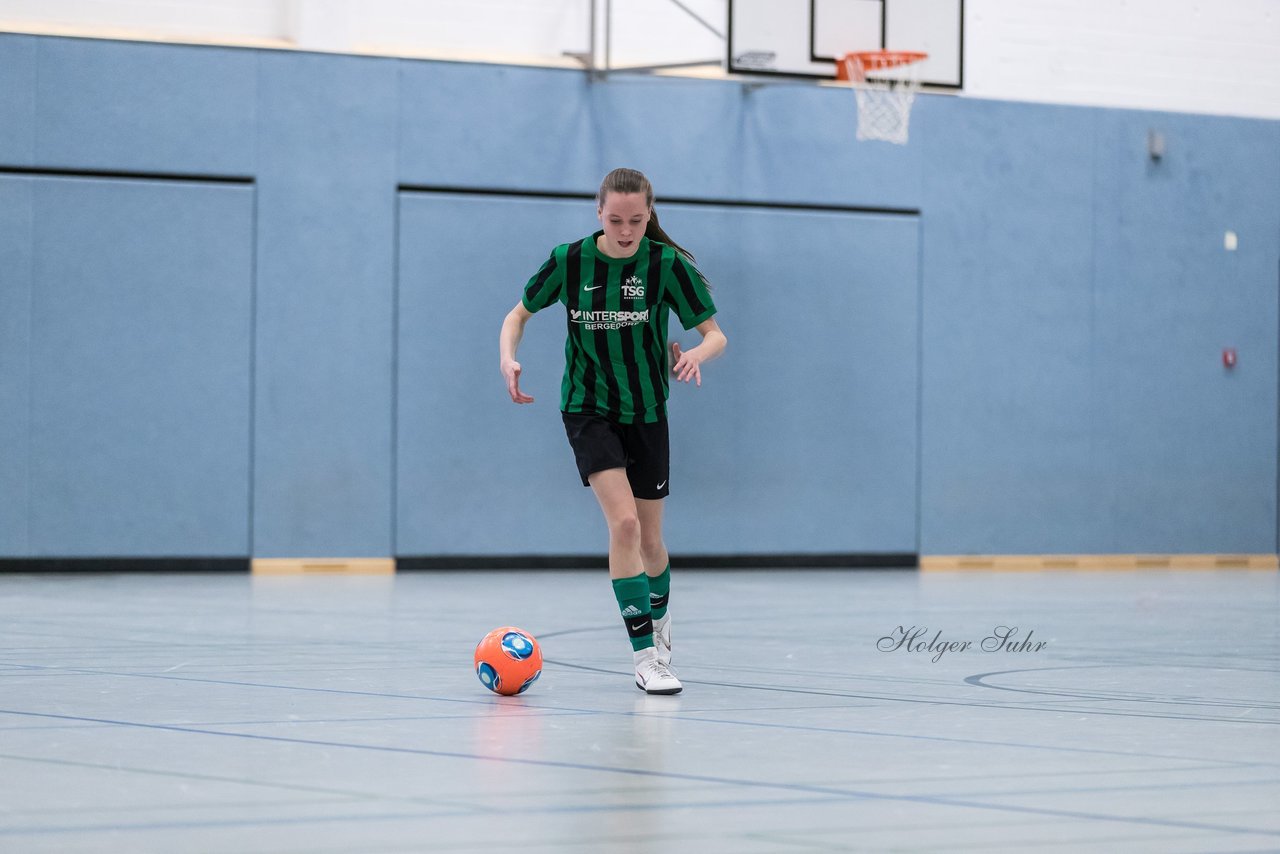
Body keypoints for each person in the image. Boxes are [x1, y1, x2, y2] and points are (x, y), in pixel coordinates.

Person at [498, 167, 727, 695]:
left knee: (651, 539)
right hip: (587, 408)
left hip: (648, 411)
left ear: (650, 216)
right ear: (598, 213)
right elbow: (517, 315)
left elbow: (716, 336)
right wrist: (508, 358)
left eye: (638, 221)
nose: (627, 231)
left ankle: (661, 621)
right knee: (623, 525)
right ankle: (646, 657)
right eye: (616, 219)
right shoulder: (569, 260)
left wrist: (694, 354)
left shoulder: (665, 264)